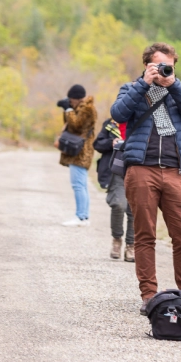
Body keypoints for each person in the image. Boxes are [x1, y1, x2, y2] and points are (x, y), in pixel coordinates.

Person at [110, 42, 181, 315]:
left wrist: (173, 84)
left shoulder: (178, 90)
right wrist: (144, 84)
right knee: (145, 234)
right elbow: (118, 114)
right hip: (142, 168)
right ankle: (149, 295)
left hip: (176, 170)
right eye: (158, 65)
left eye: (168, 65)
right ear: (147, 65)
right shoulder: (132, 88)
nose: (163, 70)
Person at [92, 118, 134, 262]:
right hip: (116, 170)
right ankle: (117, 239)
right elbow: (97, 144)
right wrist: (111, 143)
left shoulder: (144, 120)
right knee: (118, 204)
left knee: (134, 209)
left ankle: (131, 245)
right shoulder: (111, 124)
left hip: (137, 169)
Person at [56, 84, 97, 227]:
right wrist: (66, 109)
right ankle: (83, 216)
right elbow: (69, 124)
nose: (70, 102)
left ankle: (81, 216)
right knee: (81, 185)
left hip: (81, 152)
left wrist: (68, 109)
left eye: (71, 100)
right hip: (79, 151)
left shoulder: (88, 109)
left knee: (78, 185)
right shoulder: (81, 108)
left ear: (77, 99)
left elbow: (76, 126)